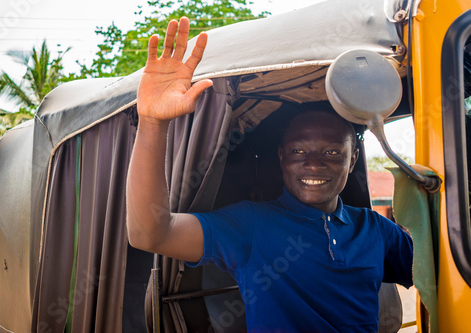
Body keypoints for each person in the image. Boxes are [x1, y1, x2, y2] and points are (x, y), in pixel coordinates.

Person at [126, 17, 413, 332]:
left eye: (332, 153)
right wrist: (153, 122)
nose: (314, 164)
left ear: (353, 158)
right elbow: (150, 233)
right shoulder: (250, 224)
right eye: (299, 152)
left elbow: (441, 271)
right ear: (281, 157)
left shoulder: (375, 229)